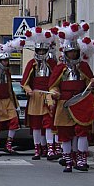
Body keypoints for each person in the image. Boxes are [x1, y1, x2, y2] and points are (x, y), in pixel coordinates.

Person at [48, 23, 94, 173]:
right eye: (69, 52)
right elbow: (53, 85)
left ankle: (82, 159)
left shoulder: (83, 67)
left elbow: (90, 84)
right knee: (65, 133)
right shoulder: (60, 68)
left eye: (74, 52)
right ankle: (68, 160)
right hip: (64, 104)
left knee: (82, 131)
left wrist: (92, 85)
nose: (72, 55)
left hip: (80, 102)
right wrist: (54, 92)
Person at [21, 28, 58, 160]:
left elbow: (57, 79)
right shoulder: (31, 64)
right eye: (39, 50)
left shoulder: (52, 64)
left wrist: (54, 91)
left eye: (43, 50)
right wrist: (28, 89)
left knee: (48, 123)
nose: (41, 53)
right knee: (36, 125)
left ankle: (50, 149)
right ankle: (38, 149)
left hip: (48, 96)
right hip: (35, 97)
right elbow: (24, 81)